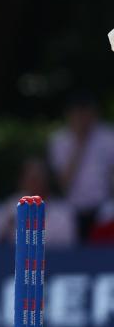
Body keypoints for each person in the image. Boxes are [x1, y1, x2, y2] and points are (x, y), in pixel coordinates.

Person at [47, 93, 114, 240]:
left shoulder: (109, 137)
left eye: (87, 112)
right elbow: (63, 183)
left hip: (104, 209)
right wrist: (80, 143)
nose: (84, 118)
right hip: (72, 209)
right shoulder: (59, 140)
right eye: (79, 113)